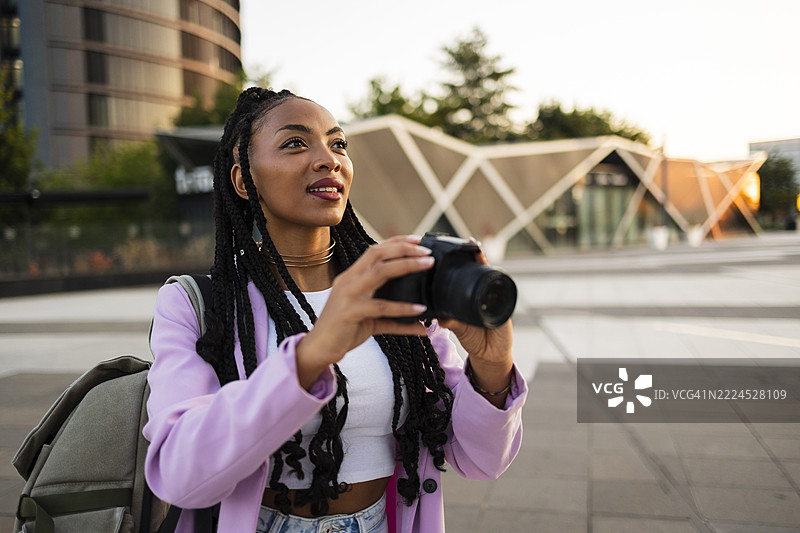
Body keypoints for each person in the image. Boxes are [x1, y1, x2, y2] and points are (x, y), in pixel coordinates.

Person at [144, 87, 527, 533]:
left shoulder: (396, 287)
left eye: (338, 144)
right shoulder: (196, 303)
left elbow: (480, 460)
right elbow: (179, 476)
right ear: (243, 181)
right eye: (294, 143)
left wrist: (493, 366)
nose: (329, 159)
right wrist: (311, 354)